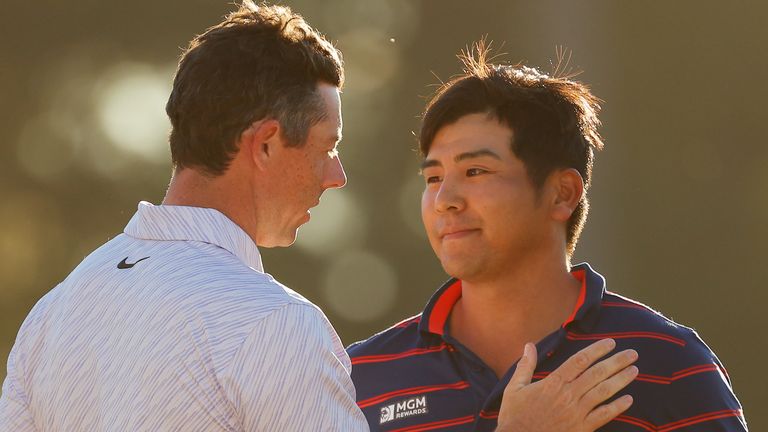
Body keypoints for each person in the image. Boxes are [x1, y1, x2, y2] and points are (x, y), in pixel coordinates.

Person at [0, 3, 637, 431]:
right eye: (327, 147)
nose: (337, 175)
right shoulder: (273, 325)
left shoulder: (53, 316)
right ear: (266, 144)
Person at [347, 44, 748, 431]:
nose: (443, 201)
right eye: (433, 178)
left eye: (475, 172)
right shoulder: (359, 377)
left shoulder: (668, 363)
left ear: (562, 194)